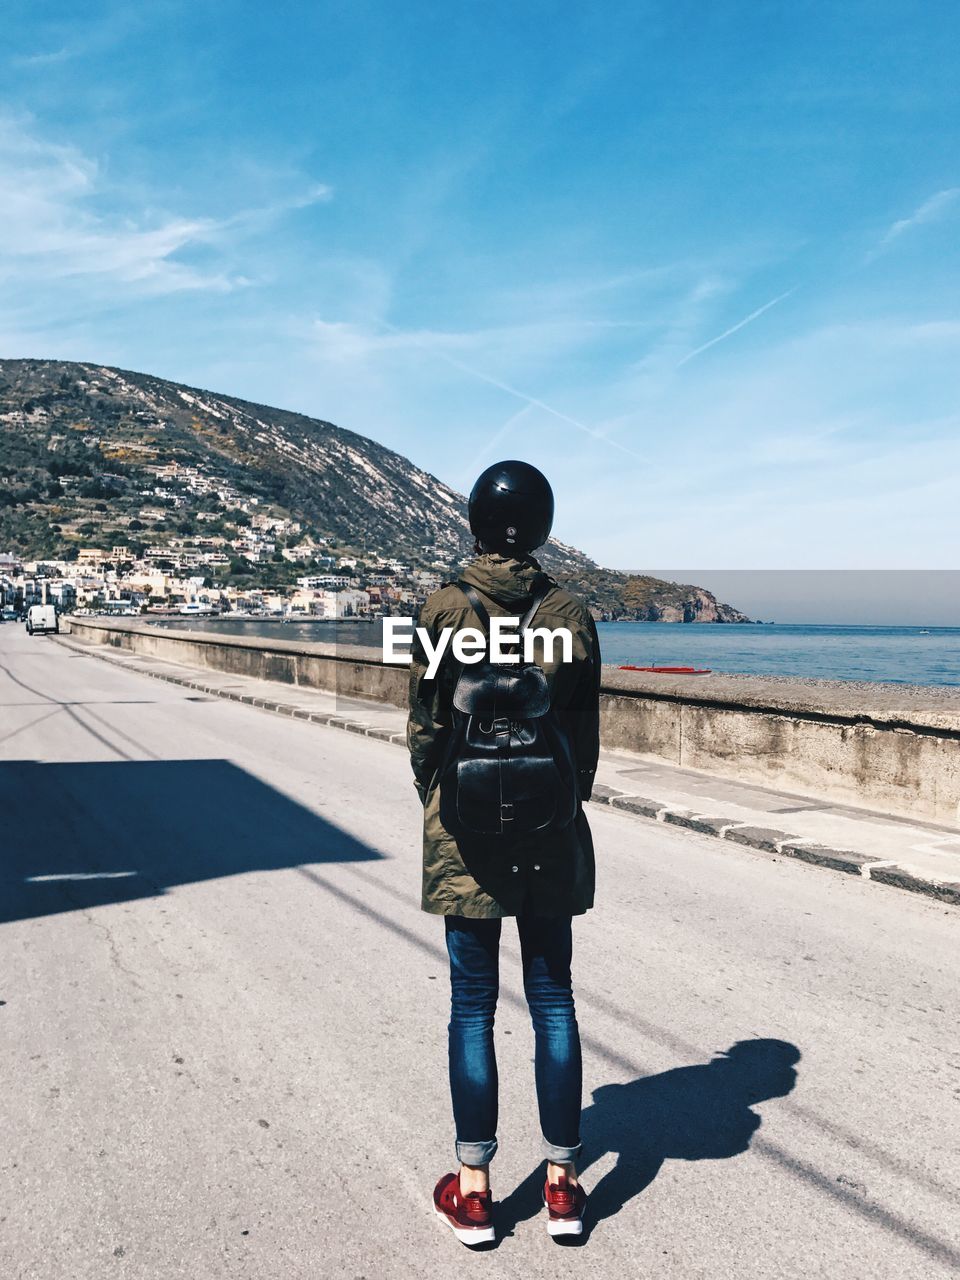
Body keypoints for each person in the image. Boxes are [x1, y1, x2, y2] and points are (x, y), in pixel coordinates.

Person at [406, 460, 601, 1245]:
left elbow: (424, 724)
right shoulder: (572, 612)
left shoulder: (444, 607)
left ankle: (476, 1190)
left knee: (471, 1006)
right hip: (550, 830)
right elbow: (584, 733)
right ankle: (562, 1187)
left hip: (467, 833)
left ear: (476, 523)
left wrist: (442, 795)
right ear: (543, 525)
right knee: (553, 1000)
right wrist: (564, 798)